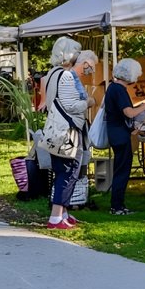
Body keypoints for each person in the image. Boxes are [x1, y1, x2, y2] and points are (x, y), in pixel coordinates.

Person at [41, 38, 91, 229]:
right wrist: (89, 102)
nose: (79, 56)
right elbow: (71, 106)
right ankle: (55, 217)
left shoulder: (52, 73)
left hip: (55, 130)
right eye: (76, 52)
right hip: (67, 133)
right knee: (69, 172)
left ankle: (64, 213)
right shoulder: (67, 76)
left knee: (61, 170)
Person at [106, 57, 145, 216]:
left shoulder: (112, 87)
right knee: (122, 172)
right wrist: (144, 106)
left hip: (115, 133)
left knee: (121, 170)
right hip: (120, 135)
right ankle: (117, 206)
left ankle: (117, 205)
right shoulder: (119, 90)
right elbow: (128, 112)